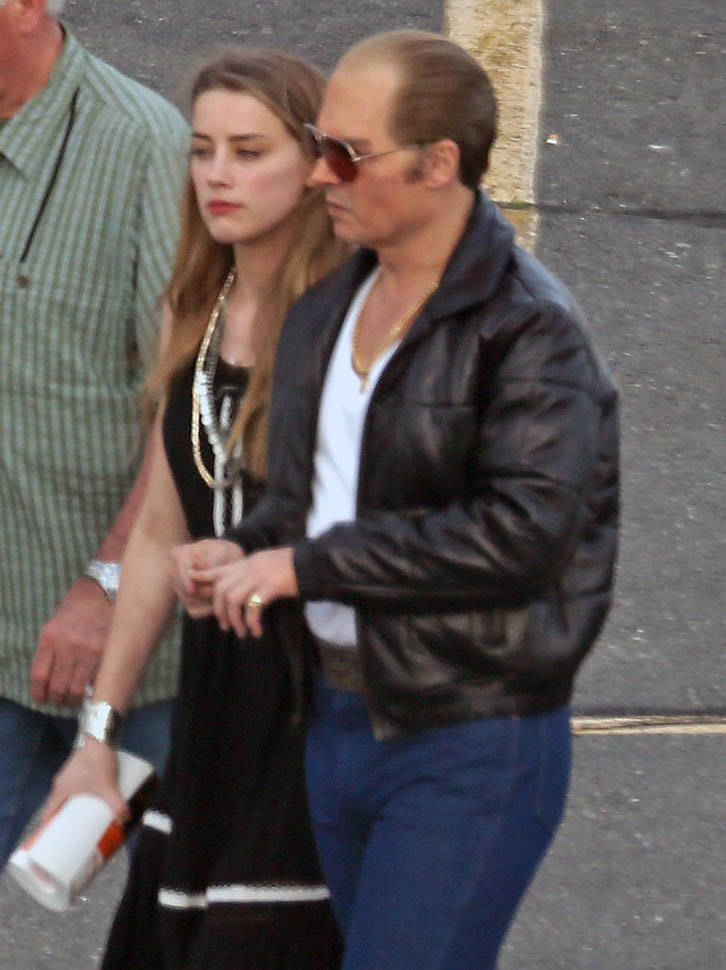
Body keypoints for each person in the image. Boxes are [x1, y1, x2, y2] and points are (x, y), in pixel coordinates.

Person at [172, 29, 620, 970]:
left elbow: (523, 537)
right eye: (318, 146)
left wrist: (303, 567)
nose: (320, 175)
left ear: (438, 163)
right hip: (336, 724)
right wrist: (243, 547)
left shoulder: (529, 329)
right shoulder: (328, 308)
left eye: (347, 154)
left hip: (471, 735)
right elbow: (312, 503)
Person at [46, 48, 346, 970]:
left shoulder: (346, 321)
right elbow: (157, 532)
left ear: (313, 166)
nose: (218, 174)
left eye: (249, 152)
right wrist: (99, 736)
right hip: (214, 704)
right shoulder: (196, 307)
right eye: (203, 149)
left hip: (309, 711)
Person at [0, 0, 188, 867]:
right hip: (8, 645)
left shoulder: (145, 147)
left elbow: (193, 402)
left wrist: (105, 583)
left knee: (193, 900)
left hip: (134, 658)